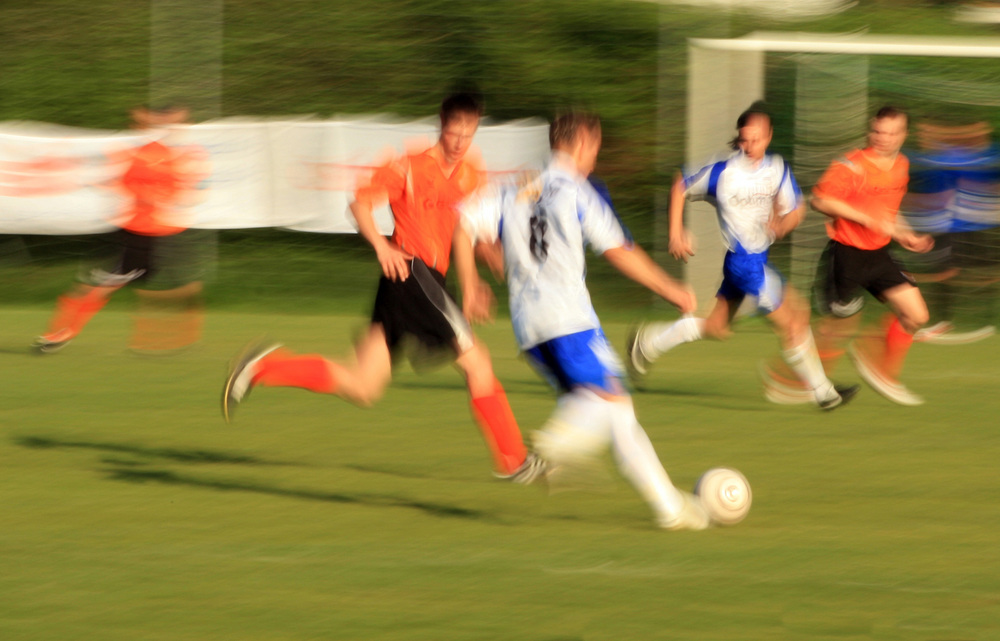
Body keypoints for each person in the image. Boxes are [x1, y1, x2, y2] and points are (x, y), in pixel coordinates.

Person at [222, 92, 542, 483]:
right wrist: (380, 246)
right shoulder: (407, 167)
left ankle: (264, 366)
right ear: (441, 124)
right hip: (411, 273)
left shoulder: (470, 175)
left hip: (418, 283)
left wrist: (491, 255)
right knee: (477, 361)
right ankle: (513, 459)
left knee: (363, 385)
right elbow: (358, 205)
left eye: (468, 133)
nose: (459, 141)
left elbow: (467, 231)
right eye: (454, 130)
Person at [458, 111, 712, 530]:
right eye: (595, 148)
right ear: (580, 145)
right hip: (570, 320)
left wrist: (470, 282)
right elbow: (618, 250)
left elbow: (465, 223)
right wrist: (672, 290)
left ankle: (671, 509)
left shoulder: (515, 187)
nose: (595, 158)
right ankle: (554, 446)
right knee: (608, 402)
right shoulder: (580, 191)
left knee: (619, 414)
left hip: (529, 327)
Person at [626, 104, 857, 410]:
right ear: (739, 138)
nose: (750, 146)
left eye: (757, 139)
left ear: (769, 136)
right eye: (745, 139)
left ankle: (648, 343)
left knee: (717, 328)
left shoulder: (777, 168)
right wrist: (675, 232)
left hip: (756, 260)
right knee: (794, 319)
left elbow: (797, 208)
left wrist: (782, 224)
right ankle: (824, 394)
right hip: (744, 264)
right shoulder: (723, 171)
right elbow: (680, 183)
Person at [32, 105, 210, 354]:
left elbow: (187, 190)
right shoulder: (137, 152)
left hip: (165, 235)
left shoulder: (184, 154)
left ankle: (167, 338)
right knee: (101, 286)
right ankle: (62, 333)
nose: (169, 125)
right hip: (139, 235)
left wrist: (168, 194)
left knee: (172, 286)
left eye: (174, 120)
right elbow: (123, 183)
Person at [808, 105, 934, 406]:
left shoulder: (902, 165)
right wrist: (864, 218)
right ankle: (801, 379)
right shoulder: (851, 165)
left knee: (917, 315)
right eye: (878, 131)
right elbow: (820, 200)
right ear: (870, 130)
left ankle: (879, 368)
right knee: (836, 328)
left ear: (903, 135)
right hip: (846, 254)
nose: (883, 138)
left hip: (879, 255)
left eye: (891, 133)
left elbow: (889, 213)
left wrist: (906, 234)